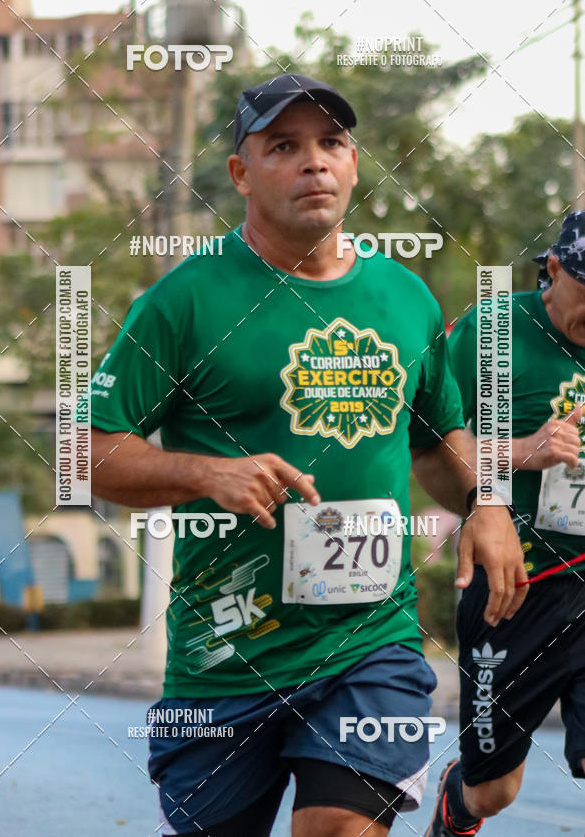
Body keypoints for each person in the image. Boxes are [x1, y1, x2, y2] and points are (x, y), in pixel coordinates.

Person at [89, 73, 526, 837]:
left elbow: (436, 439)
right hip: (225, 653)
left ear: (354, 163)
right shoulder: (185, 301)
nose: (314, 163)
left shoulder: (405, 298)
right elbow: (85, 453)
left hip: (368, 642)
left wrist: (486, 502)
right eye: (283, 147)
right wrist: (204, 472)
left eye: (331, 144)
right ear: (242, 173)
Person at [425, 211, 585, 836]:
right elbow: (434, 445)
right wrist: (525, 451)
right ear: (552, 269)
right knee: (492, 790)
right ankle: (455, 805)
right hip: (514, 590)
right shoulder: (493, 331)